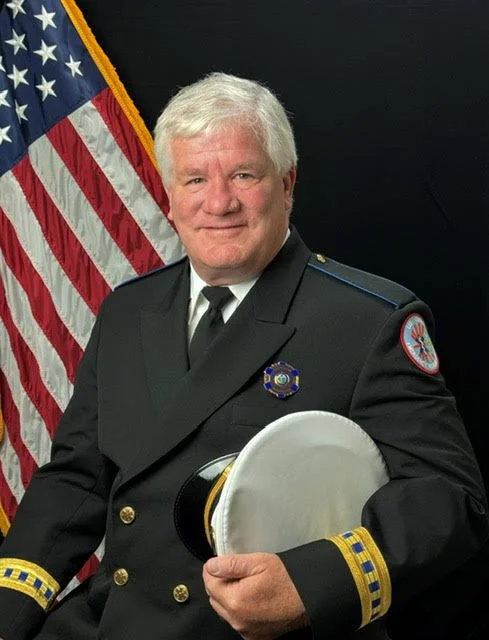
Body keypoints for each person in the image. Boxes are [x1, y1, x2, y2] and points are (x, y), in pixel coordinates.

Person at [0, 72, 487, 640]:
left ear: (287, 183)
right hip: (114, 618)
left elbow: (449, 498)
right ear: (169, 195)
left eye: (243, 175)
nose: (219, 202)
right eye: (195, 179)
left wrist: (308, 585)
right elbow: (76, 479)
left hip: (255, 629)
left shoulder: (369, 321)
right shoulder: (128, 311)